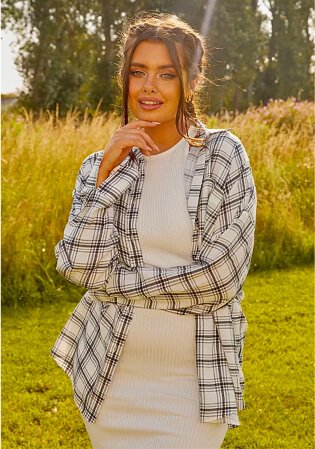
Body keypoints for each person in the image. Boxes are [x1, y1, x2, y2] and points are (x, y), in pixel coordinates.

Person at [51, 12, 257, 449]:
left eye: (167, 74)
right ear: (124, 78)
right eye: (138, 72)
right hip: (109, 382)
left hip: (195, 385)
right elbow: (78, 264)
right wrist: (105, 174)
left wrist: (115, 285)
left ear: (192, 81)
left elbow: (220, 279)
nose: (149, 87)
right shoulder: (101, 164)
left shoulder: (222, 154)